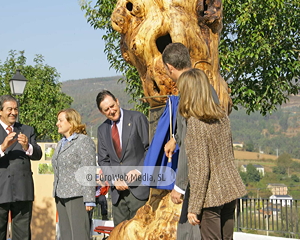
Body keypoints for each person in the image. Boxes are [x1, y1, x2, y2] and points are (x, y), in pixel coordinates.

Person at [178, 68, 247, 239]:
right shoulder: (222, 116)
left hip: (211, 198)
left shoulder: (195, 124)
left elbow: (201, 170)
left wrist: (193, 207)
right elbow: (228, 154)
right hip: (230, 191)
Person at [162, 42, 217, 239]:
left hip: (197, 182)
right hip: (217, 178)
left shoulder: (188, 92)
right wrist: (175, 139)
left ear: (170, 67)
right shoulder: (207, 89)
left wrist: (179, 186)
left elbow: (191, 145)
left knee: (189, 232)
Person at [0, 95, 42, 240]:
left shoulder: (27, 129)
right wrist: (2, 147)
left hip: (23, 190)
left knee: (23, 235)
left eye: (16, 109)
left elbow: (37, 154)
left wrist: (28, 146)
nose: (14, 112)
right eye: (9, 109)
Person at [96, 90, 150, 227]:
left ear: (117, 101)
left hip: (139, 191)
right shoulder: (102, 130)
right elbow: (103, 160)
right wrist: (114, 180)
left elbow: (150, 149)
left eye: (112, 106)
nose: (111, 111)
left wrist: (138, 171)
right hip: (117, 196)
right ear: (102, 112)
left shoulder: (137, 118)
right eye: (106, 110)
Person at [52, 108, 96, 240]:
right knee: (65, 235)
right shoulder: (61, 143)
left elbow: (88, 169)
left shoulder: (83, 141)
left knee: (79, 235)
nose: (57, 123)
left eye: (60, 120)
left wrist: (89, 199)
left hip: (77, 195)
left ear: (71, 122)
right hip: (60, 195)